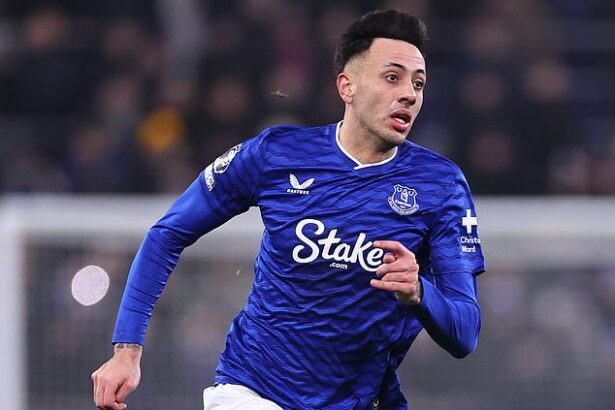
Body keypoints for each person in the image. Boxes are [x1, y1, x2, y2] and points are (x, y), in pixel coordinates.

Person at [92, 9, 485, 410]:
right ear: (347, 86)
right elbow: (168, 233)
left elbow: (465, 332)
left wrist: (419, 292)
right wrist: (127, 349)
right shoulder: (276, 154)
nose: (409, 94)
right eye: (392, 77)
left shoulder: (439, 185)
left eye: (418, 83)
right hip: (253, 391)